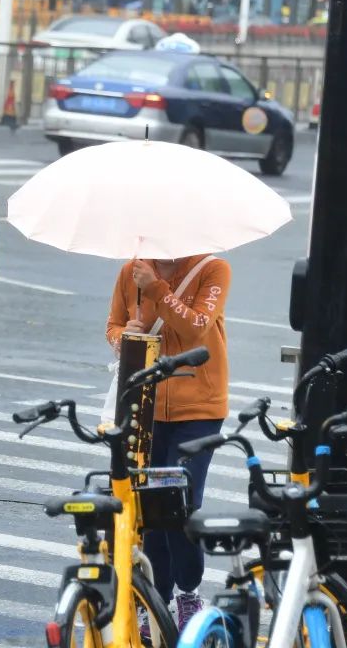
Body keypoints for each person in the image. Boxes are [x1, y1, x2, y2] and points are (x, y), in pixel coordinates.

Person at [105, 254, 231, 631]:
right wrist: (126, 335)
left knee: (180, 504)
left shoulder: (213, 269)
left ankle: (188, 593)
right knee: (148, 508)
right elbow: (113, 327)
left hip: (200, 407)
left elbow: (196, 327)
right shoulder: (131, 270)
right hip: (144, 403)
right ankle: (154, 599)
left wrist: (156, 289)